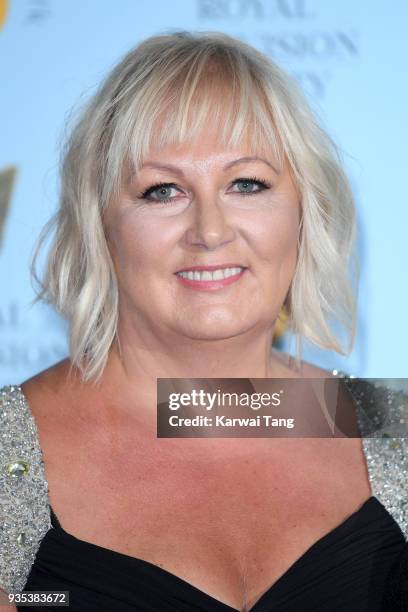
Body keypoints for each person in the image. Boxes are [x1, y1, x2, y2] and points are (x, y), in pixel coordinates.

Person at [0, 30, 406, 612]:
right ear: (101, 229)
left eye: (247, 184)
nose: (211, 231)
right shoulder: (7, 452)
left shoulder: (391, 429)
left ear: (303, 214)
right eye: (162, 190)